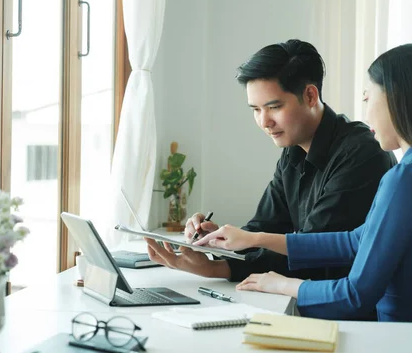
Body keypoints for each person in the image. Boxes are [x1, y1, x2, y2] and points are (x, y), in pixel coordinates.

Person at [193, 43, 412, 323]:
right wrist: (254, 239)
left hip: (405, 340)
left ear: (398, 100)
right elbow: (355, 240)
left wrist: (280, 285)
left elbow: (356, 294)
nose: (366, 111)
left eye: (368, 97)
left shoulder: (408, 177)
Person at [145, 40, 396, 285]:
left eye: (273, 107)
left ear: (310, 95)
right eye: (255, 109)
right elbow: (263, 229)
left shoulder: (361, 153)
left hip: (351, 311)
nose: (264, 122)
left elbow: (316, 252)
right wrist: (215, 238)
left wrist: (217, 267)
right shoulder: (293, 150)